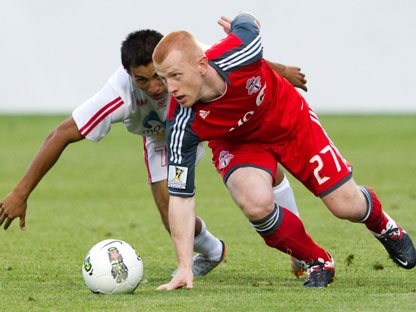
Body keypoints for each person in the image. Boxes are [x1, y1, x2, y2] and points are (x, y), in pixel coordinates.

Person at [0, 27, 308, 276]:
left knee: (264, 167)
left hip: (205, 117)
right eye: (141, 80)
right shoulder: (117, 94)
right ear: (128, 74)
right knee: (170, 214)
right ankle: (214, 251)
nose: (155, 88)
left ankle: (301, 250)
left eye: (158, 77)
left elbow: (238, 60)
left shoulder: (187, 55)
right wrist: (20, 193)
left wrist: (281, 70)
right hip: (163, 139)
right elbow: (60, 134)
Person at [152, 13, 416, 290]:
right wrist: (184, 267)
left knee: (346, 206)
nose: (170, 88)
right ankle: (317, 261)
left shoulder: (241, 52)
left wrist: (242, 26)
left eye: (176, 76)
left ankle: (384, 226)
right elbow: (180, 198)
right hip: (239, 145)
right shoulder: (180, 122)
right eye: (164, 78)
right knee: (255, 202)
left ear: (202, 65)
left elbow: (248, 21)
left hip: (289, 122)